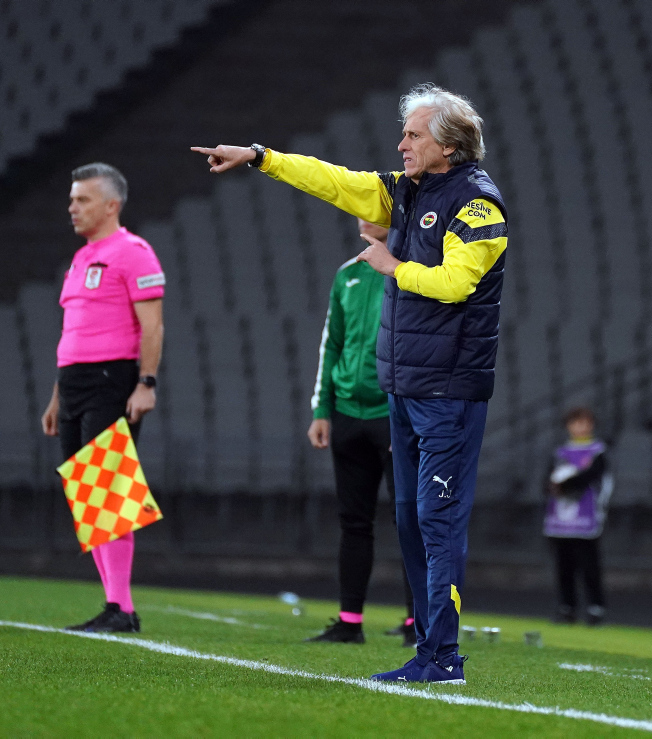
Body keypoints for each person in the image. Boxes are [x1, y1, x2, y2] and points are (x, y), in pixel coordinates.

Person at [192, 83, 508, 684]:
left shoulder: (479, 206)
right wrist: (260, 157)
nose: (402, 144)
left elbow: (456, 283)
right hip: (405, 386)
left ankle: (444, 656)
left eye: (413, 135)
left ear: (448, 145)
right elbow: (333, 180)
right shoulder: (407, 191)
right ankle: (430, 652)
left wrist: (393, 266)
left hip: (449, 392)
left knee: (438, 522)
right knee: (412, 522)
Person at [41, 162, 165, 633]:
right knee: (85, 493)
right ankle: (116, 605)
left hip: (113, 378)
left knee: (107, 489)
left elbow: (152, 324)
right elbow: (73, 331)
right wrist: (56, 396)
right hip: (73, 383)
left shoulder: (134, 253)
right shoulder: (80, 259)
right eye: (72, 199)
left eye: (83, 199)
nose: (72, 207)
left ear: (111, 205)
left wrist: (145, 383)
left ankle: (121, 607)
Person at [306, 218, 415, 647]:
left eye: (373, 206)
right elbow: (331, 343)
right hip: (348, 414)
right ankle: (349, 622)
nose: (362, 214)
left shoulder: (411, 268)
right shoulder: (347, 273)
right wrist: (322, 408)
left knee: (409, 520)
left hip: (392, 415)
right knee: (353, 522)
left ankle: (416, 623)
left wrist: (405, 412)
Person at [543, 407, 613, 626]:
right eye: (575, 422)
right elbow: (546, 481)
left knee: (589, 564)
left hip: (586, 517)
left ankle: (595, 607)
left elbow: (594, 477)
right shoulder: (560, 452)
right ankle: (567, 607)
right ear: (568, 426)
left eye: (584, 422)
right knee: (564, 565)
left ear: (591, 424)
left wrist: (566, 484)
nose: (580, 427)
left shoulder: (597, 451)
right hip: (561, 519)